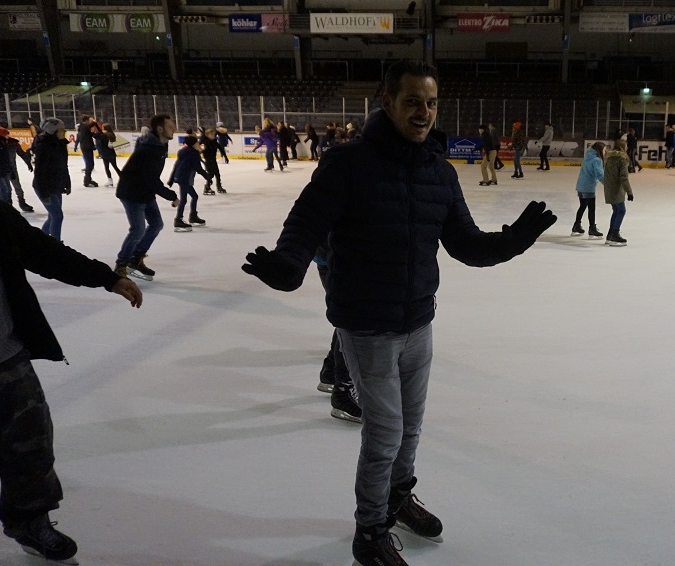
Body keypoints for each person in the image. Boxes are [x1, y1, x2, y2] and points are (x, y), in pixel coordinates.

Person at [242, 58, 556, 566]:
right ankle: (370, 534)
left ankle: (397, 497)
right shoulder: (347, 164)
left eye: (431, 103)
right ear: (387, 103)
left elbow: (466, 245)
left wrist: (514, 240)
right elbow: (305, 224)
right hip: (367, 325)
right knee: (385, 432)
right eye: (412, 101)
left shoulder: (439, 173)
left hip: (418, 321)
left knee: (410, 427)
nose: (423, 112)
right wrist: (288, 265)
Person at [0, 193, 142, 564]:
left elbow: (43, 251)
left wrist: (106, 278)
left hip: (6, 357)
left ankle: (29, 522)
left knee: (31, 448)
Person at [113, 114, 180, 281]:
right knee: (137, 230)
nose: (174, 129)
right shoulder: (149, 149)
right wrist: (171, 195)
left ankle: (135, 259)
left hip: (145, 191)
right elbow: (150, 179)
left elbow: (151, 178)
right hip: (132, 193)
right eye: (170, 126)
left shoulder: (159, 145)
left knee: (156, 224)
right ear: (160, 129)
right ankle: (121, 265)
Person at [314, 242, 362, 423]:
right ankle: (343, 391)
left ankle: (333, 372)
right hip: (342, 258)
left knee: (351, 314)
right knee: (354, 317)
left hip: (338, 256)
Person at [32, 118, 72, 241]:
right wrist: (43, 192)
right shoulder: (44, 146)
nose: (64, 131)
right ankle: (56, 245)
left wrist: (67, 182)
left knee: (53, 216)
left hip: (56, 185)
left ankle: (41, 241)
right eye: (61, 129)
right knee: (57, 216)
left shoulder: (60, 143)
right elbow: (39, 172)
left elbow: (63, 165)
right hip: (45, 187)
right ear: (53, 130)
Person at [168, 134, 212, 232]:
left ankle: (193, 216)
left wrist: (171, 179)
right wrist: (207, 177)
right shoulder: (193, 153)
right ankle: (178, 220)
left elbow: (176, 165)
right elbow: (198, 168)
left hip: (180, 177)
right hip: (184, 179)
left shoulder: (183, 151)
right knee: (184, 200)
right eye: (196, 142)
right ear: (194, 144)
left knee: (194, 196)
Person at [571, 141, 605, 239]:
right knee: (591, 208)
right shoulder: (597, 160)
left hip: (581, 185)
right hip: (588, 187)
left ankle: (576, 225)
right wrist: (607, 184)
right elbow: (600, 174)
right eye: (604, 150)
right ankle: (592, 228)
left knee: (582, 206)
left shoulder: (587, 156)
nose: (605, 152)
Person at [603, 139, 633, 247]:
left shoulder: (608, 158)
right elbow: (624, 177)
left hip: (609, 188)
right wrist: (629, 192)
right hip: (616, 189)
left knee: (616, 211)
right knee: (621, 211)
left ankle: (610, 234)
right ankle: (614, 234)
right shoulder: (622, 159)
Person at [3, 132, 36, 213]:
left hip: (12, 170)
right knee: (4, 189)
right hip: (1, 170)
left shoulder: (13, 143)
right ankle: (5, 205)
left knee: (17, 187)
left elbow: (22, 154)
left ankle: (22, 203)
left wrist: (28, 163)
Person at [0, 127, 17, 206]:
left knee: (7, 189)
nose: (8, 136)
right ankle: (3, 206)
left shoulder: (3, 143)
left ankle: (7, 205)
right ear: (2, 135)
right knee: (3, 189)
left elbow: (7, 159)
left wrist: (11, 171)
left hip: (5, 171)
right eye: (6, 134)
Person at [199, 126, 226, 194]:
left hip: (213, 160)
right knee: (211, 174)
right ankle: (207, 187)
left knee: (217, 174)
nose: (213, 136)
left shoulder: (214, 141)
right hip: (208, 160)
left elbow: (220, 148)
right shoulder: (206, 141)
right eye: (211, 135)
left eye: (213, 135)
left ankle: (219, 187)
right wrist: (200, 153)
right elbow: (199, 146)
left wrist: (225, 157)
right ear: (207, 135)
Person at [76, 115, 98, 188]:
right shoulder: (84, 127)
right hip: (86, 147)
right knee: (90, 164)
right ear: (86, 121)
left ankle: (88, 178)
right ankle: (87, 180)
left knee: (90, 164)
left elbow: (89, 134)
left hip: (86, 146)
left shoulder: (82, 127)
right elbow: (90, 126)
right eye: (88, 120)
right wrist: (94, 122)